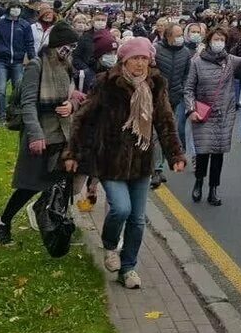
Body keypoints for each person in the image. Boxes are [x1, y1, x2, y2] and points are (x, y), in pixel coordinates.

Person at [64, 36, 185, 288]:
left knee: (138, 220)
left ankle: (128, 268)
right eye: (135, 59)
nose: (140, 64)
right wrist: (74, 153)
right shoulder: (106, 83)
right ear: (124, 60)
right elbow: (84, 119)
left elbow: (164, 121)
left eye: (144, 59)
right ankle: (110, 246)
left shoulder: (155, 85)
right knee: (121, 208)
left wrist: (175, 155)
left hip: (141, 162)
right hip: (110, 160)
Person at [0, 21, 80, 245]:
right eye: (68, 46)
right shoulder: (36, 65)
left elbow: (72, 94)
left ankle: (54, 221)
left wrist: (71, 105)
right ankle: (3, 221)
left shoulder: (66, 64)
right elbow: (27, 103)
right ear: (58, 45)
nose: (69, 51)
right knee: (29, 184)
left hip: (63, 133)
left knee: (60, 182)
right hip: (41, 132)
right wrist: (36, 134)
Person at [184, 26, 241, 205]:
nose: (219, 43)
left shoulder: (231, 61)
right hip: (203, 112)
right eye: (216, 39)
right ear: (209, 41)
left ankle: (213, 189)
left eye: (222, 40)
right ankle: (199, 182)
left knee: (218, 153)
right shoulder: (197, 62)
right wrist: (191, 110)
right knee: (203, 151)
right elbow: (189, 88)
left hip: (224, 113)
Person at [153, 20, 192, 189]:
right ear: (168, 36)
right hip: (156, 98)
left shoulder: (185, 53)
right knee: (154, 133)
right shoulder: (156, 50)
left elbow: (187, 74)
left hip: (175, 98)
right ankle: (156, 169)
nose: (180, 38)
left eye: (181, 35)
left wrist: (182, 89)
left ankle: (159, 165)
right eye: (176, 36)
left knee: (167, 131)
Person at [0, 1, 35, 125]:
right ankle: (1, 117)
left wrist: (33, 59)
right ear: (9, 9)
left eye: (18, 7)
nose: (16, 9)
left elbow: (29, 43)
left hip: (18, 62)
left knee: (17, 90)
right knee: (1, 89)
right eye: (14, 7)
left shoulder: (25, 25)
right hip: (1, 60)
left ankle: (14, 115)